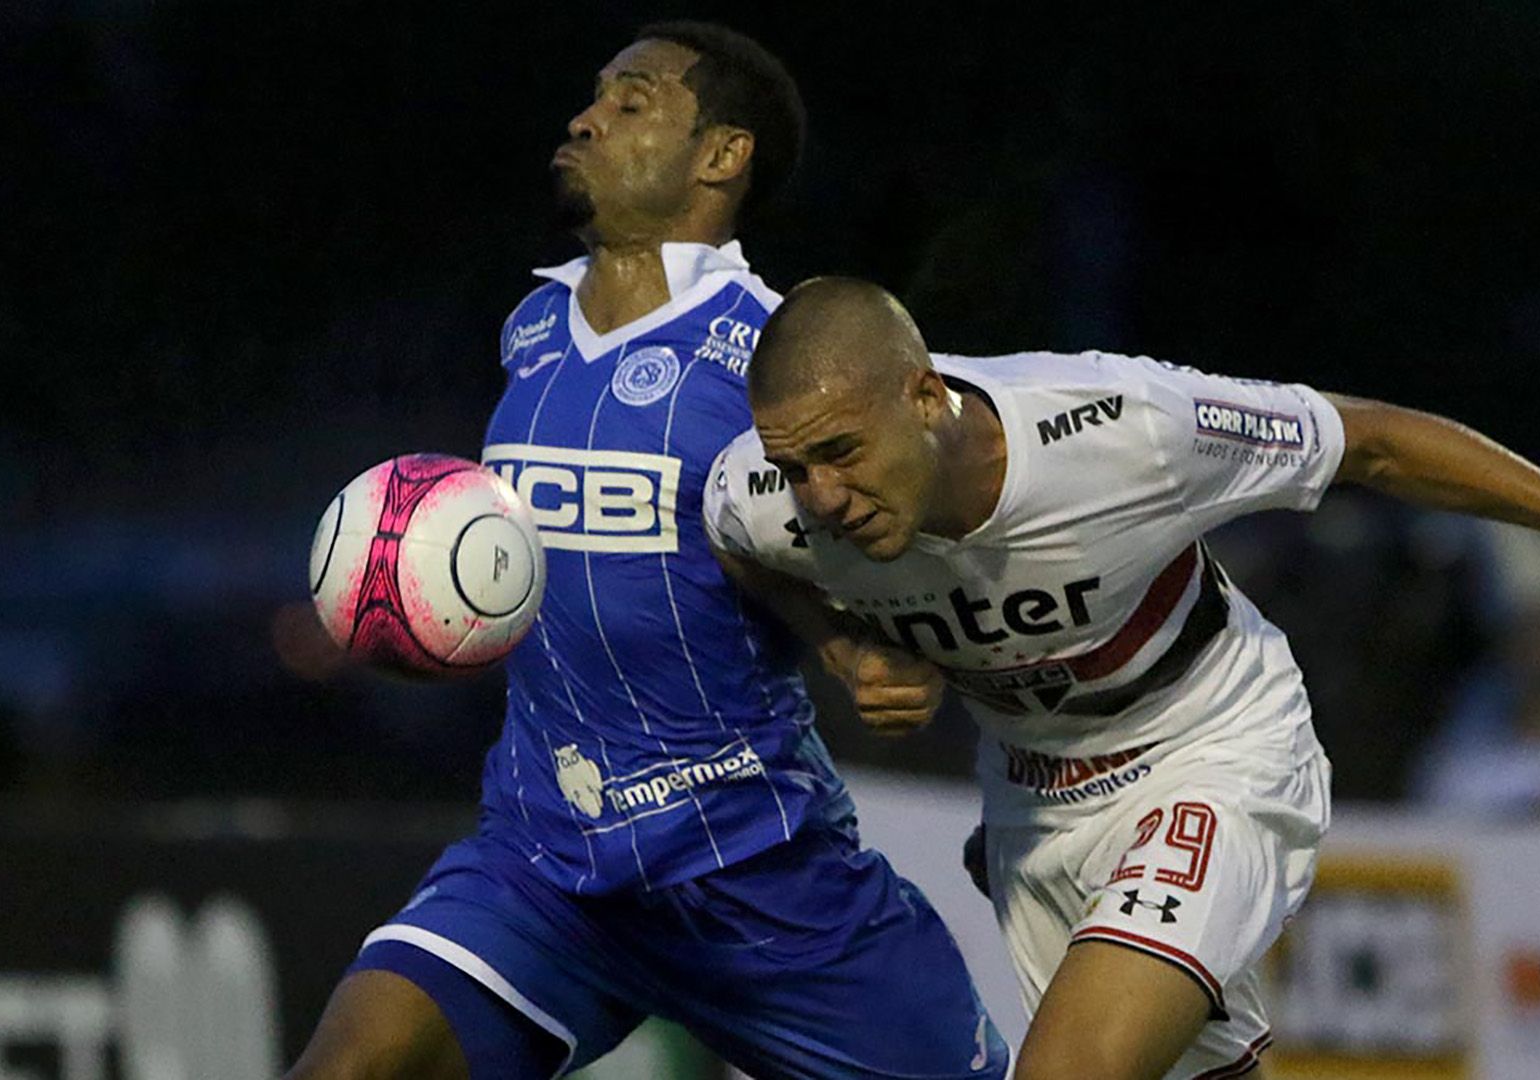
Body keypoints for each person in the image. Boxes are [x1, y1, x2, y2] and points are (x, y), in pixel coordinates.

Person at [702, 277, 1540, 1080]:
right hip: (1032, 801)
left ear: (925, 395)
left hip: (1208, 749)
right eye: (798, 467)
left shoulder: (1123, 431)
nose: (823, 495)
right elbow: (739, 545)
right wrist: (845, 647)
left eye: (841, 452)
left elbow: (1374, 444)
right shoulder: (764, 497)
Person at [286, 26, 1006, 1080]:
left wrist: (863, 650)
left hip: (755, 878)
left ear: (723, 155)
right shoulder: (531, 326)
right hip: (545, 866)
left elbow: (823, 540)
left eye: (631, 102)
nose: (586, 118)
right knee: (349, 1068)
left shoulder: (777, 355)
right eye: (592, 98)